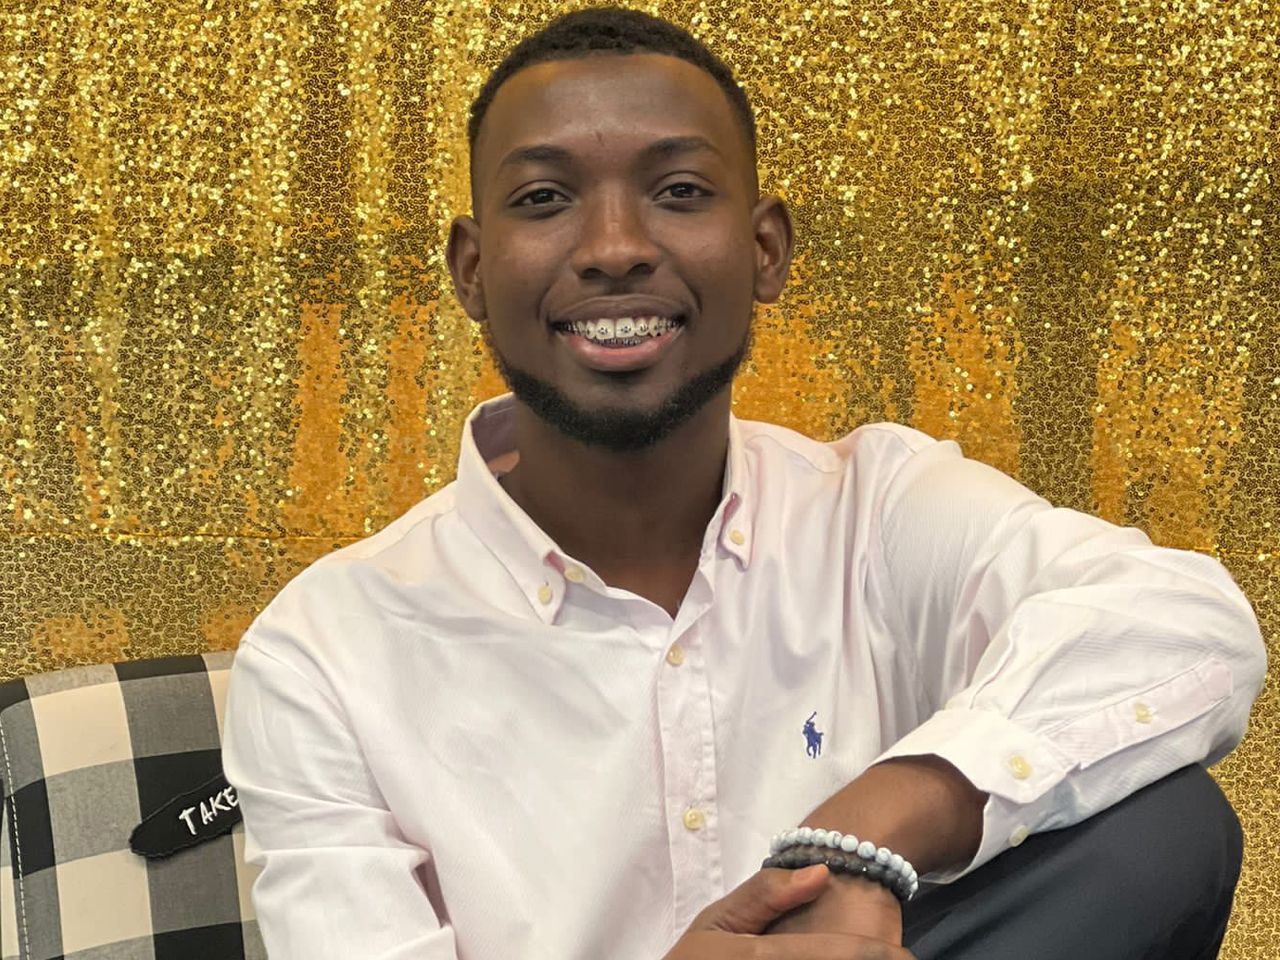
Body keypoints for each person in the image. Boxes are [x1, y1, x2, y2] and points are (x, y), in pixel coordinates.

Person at [221, 7, 1267, 959]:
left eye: (677, 192)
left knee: (1156, 834)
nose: (616, 247)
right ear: (470, 269)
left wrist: (859, 839)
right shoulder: (323, 652)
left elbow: (1186, 626)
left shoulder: (877, 509)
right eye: (543, 199)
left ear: (764, 250)